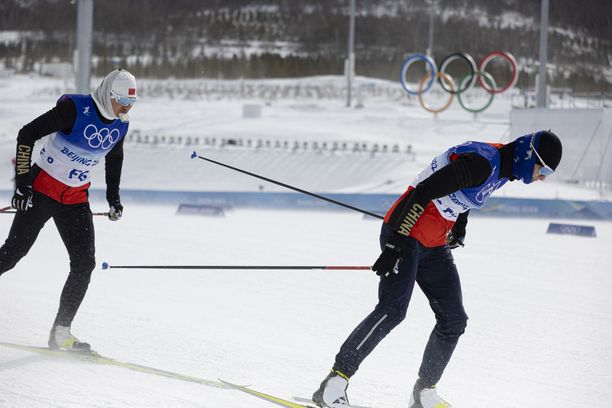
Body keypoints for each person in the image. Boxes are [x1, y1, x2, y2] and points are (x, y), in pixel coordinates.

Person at [312, 130, 563, 408]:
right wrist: (395, 244)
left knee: (454, 320)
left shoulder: (504, 167)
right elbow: (425, 191)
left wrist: (459, 224)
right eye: (545, 170)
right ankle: (334, 384)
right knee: (392, 311)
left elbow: (466, 193)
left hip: (433, 242)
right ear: (529, 156)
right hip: (406, 233)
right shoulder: (482, 163)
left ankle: (423, 394)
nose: (543, 178)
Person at [0, 69, 138, 352]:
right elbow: (27, 134)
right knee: (13, 254)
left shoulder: (121, 124)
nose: (126, 107)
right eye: (121, 100)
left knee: (84, 263)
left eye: (131, 102)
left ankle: (61, 332)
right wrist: (23, 185)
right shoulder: (74, 109)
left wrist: (114, 198)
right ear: (106, 94)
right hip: (41, 191)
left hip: (75, 199)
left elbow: (115, 158)